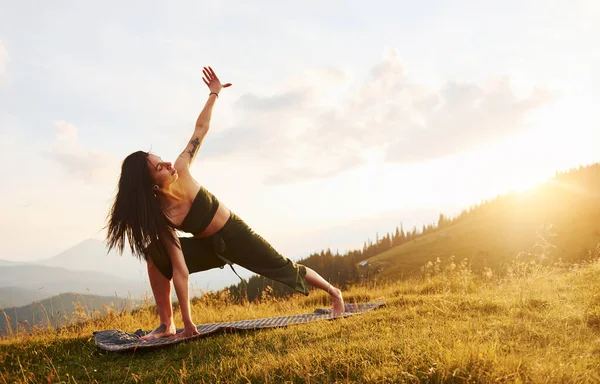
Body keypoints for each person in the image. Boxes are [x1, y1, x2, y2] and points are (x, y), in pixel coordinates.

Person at [106, 66, 344, 340]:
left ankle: (334, 293)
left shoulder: (182, 169)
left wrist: (214, 93)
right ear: (152, 185)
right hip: (209, 247)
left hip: (235, 235)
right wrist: (188, 322)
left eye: (162, 159)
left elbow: (200, 128)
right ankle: (166, 323)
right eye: (160, 166)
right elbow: (180, 269)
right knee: (155, 255)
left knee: (283, 267)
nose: (169, 163)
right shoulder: (162, 215)